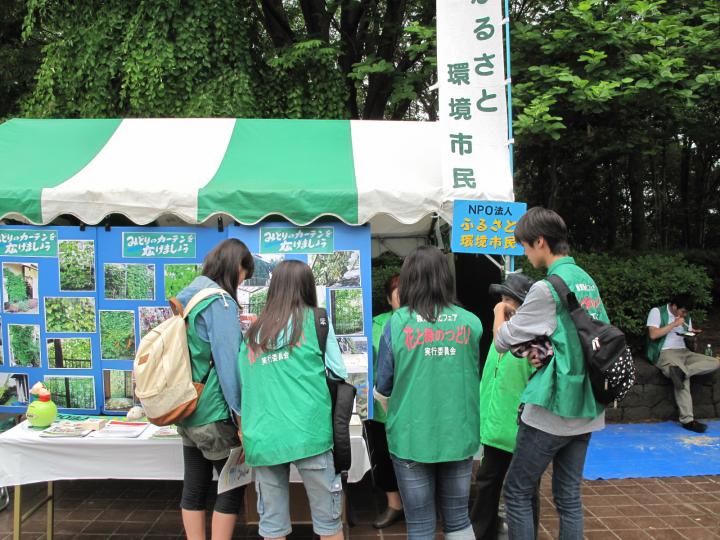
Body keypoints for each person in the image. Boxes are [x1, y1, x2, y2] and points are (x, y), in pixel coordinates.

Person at [493, 207, 606, 540]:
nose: (525, 253)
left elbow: (503, 340)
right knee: (568, 497)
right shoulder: (586, 280)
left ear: (540, 241)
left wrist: (501, 311)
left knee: (517, 491)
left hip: (554, 406)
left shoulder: (546, 288)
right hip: (588, 405)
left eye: (525, 246)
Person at [375, 246, 482, 540]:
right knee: (458, 518)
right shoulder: (471, 322)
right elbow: (471, 373)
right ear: (445, 278)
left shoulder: (396, 324)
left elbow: (383, 387)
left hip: (411, 435)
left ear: (409, 280)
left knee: (420, 523)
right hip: (458, 433)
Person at [237, 260, 347, 540]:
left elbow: (244, 384)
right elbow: (338, 372)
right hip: (310, 431)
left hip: (264, 437)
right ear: (308, 287)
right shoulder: (316, 320)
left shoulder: (253, 334)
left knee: (272, 526)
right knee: (328, 523)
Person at [174, 238, 255, 540]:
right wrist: (241, 420)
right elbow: (228, 366)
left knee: (194, 487)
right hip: (214, 412)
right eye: (244, 274)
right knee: (232, 487)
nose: (242, 281)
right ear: (235, 267)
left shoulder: (188, 296)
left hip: (188, 408)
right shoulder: (220, 303)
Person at [470, 272, 539, 540]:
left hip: (523, 428)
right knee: (487, 483)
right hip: (495, 426)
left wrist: (500, 313)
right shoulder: (504, 330)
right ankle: (481, 533)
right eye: (502, 299)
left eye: (508, 300)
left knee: (525, 489)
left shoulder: (532, 335)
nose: (502, 304)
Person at [646, 295, 720, 433]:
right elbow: (653, 335)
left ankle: (682, 372)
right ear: (674, 306)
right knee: (682, 379)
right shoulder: (657, 312)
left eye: (686, 312)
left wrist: (692, 334)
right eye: (683, 311)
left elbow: (685, 335)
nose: (685, 315)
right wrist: (673, 324)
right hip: (665, 353)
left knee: (714, 362)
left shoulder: (685, 317)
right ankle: (688, 420)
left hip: (684, 352)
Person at [366, 274, 404, 529]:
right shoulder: (376, 324)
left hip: (413, 404)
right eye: (399, 295)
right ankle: (394, 504)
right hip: (381, 406)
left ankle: (418, 504)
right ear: (388, 299)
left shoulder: (423, 323)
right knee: (384, 455)